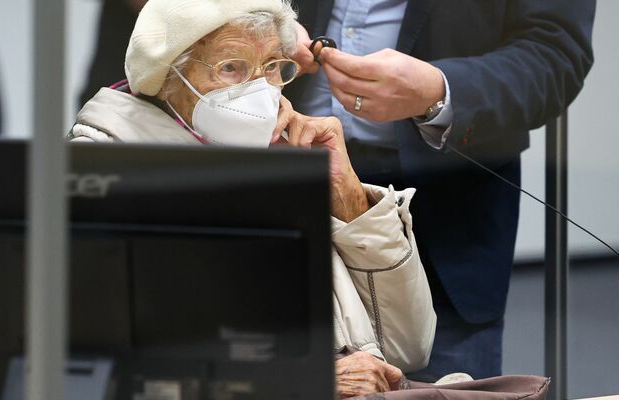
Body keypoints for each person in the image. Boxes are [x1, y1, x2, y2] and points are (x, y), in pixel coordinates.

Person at [69, 0, 437, 397]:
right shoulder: (104, 173)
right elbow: (113, 366)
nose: (260, 91)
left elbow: (408, 347)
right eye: (231, 68)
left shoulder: (284, 159)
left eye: (273, 67)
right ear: (167, 78)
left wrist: (347, 194)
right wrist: (306, 380)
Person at [284, 0, 596, 381]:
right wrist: (266, 28)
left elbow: (555, 55)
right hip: (284, 188)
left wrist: (439, 90)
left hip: (445, 218)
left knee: (441, 382)